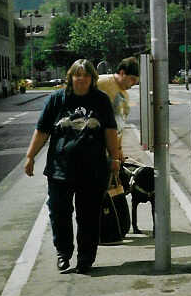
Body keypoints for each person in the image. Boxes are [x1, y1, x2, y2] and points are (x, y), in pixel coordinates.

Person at [23, 59, 120, 274]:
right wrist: (30, 156)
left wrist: (115, 158)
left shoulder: (101, 100)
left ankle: (85, 259)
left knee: (88, 217)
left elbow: (110, 131)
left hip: (93, 170)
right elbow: (42, 131)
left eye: (86, 75)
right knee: (59, 213)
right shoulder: (57, 100)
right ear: (70, 77)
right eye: (77, 75)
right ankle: (63, 253)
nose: (81, 79)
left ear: (92, 79)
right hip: (60, 170)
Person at [96, 56, 141, 151]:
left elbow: (120, 125)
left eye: (136, 81)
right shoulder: (100, 82)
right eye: (132, 79)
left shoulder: (125, 95)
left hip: (111, 150)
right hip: (94, 146)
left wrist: (118, 150)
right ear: (122, 73)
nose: (133, 84)